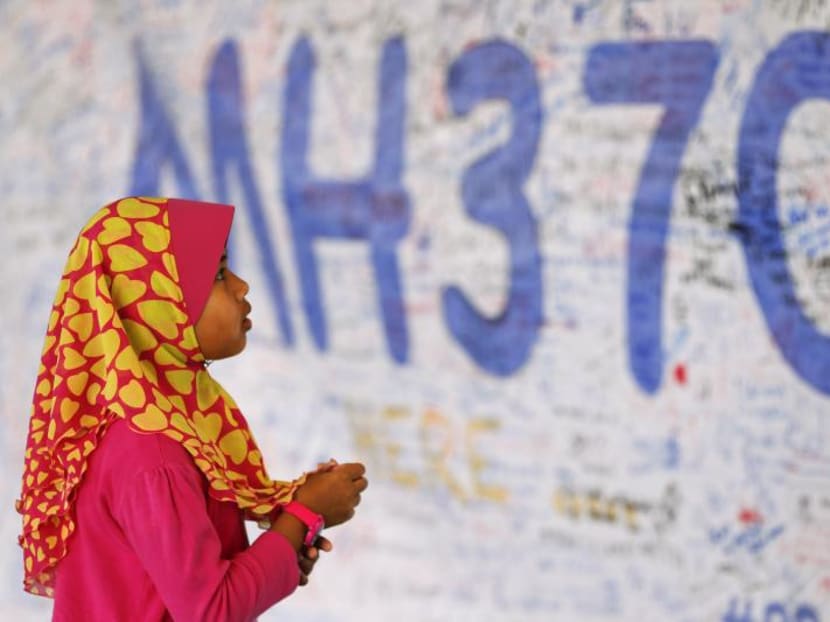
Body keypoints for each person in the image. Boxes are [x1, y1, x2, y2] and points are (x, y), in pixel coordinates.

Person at [16, 196, 368, 621]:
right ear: (156, 304)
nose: (241, 286)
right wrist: (303, 515)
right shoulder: (153, 454)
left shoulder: (157, 425)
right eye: (219, 274)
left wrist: (285, 544)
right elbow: (210, 609)